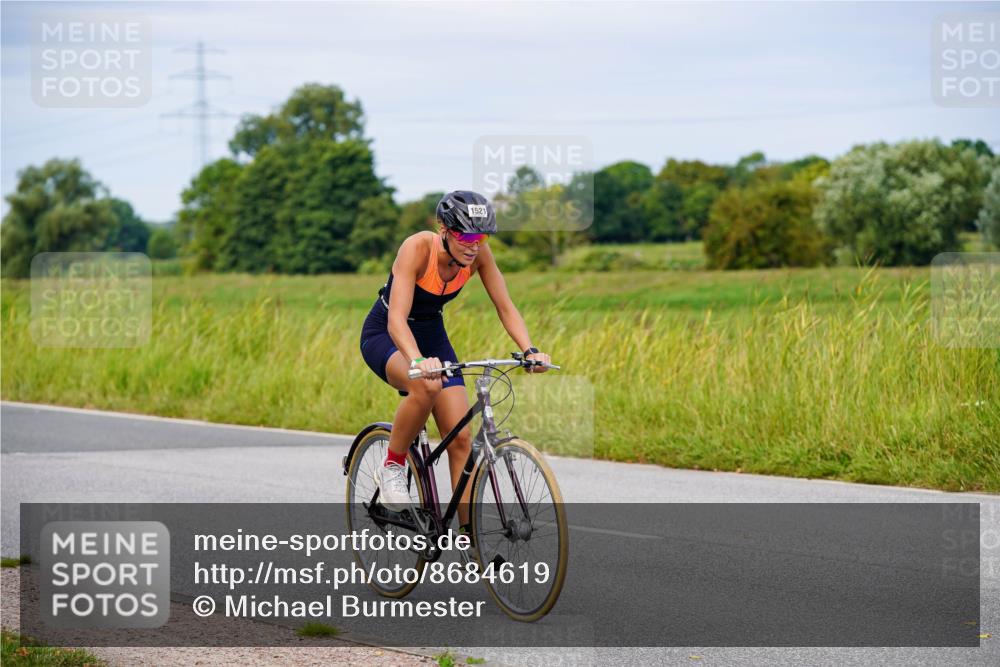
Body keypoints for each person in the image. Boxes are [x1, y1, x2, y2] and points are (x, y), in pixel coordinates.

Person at [359, 191, 550, 534]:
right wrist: (416, 360)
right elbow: (397, 320)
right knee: (426, 384)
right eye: (465, 235)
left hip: (432, 335)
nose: (474, 245)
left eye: (481, 236)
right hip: (387, 334)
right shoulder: (417, 248)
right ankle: (391, 467)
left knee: (461, 438)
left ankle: (468, 539)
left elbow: (504, 305)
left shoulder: (478, 254)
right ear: (443, 228)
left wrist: (530, 349)